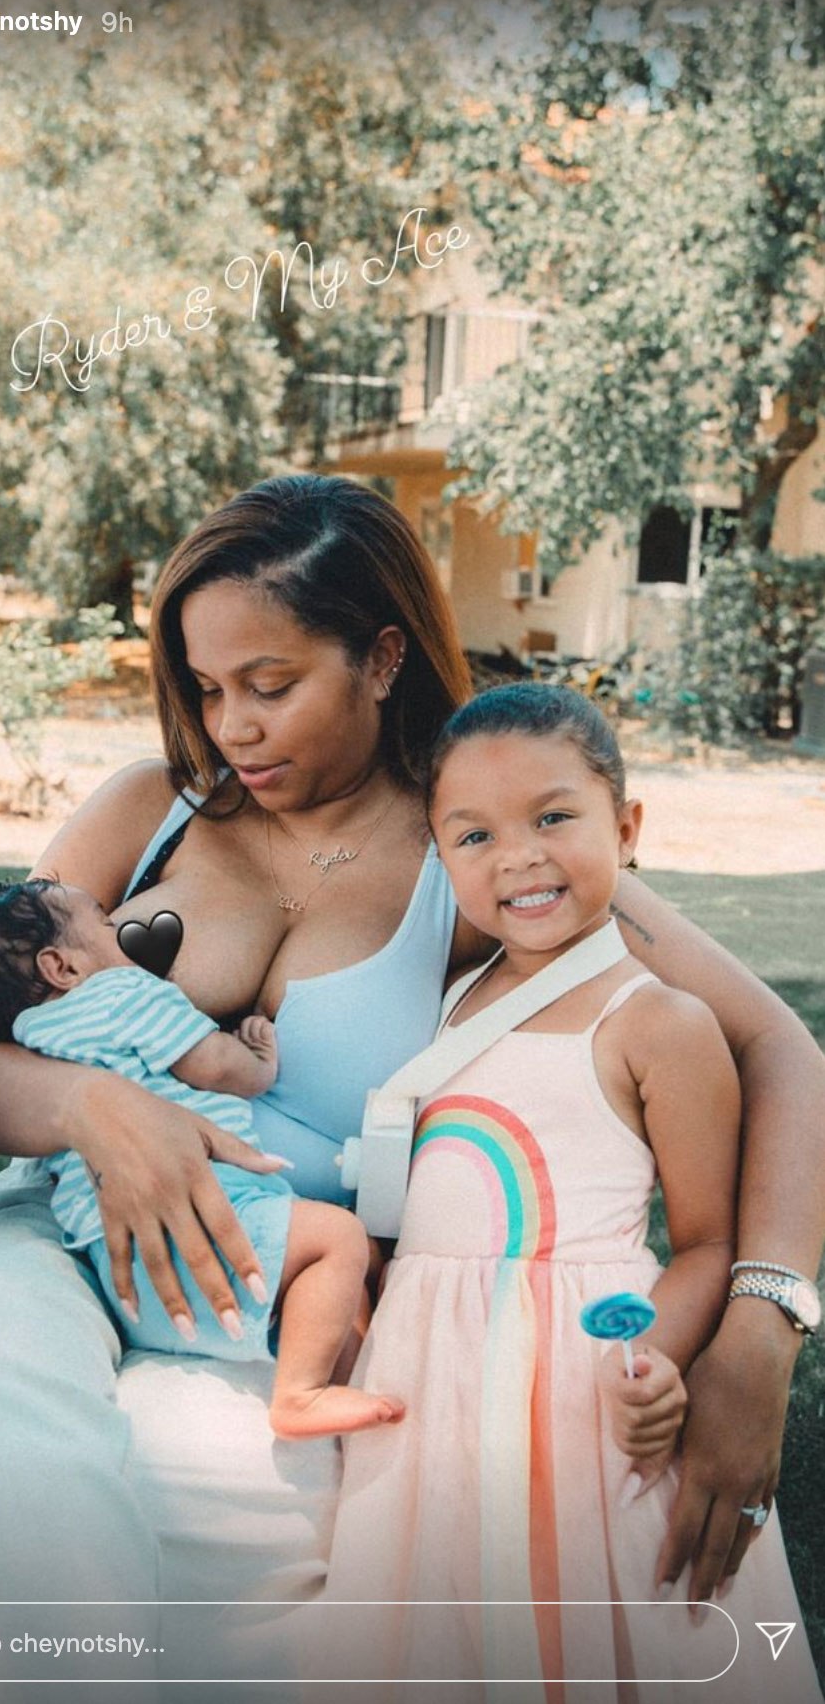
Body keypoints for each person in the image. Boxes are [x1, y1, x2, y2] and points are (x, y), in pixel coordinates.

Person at [0, 477, 822, 1697]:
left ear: (380, 656)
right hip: (65, 1225)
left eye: (269, 685)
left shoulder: (477, 846)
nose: (233, 727)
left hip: (291, 1266)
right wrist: (93, 1109)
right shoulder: (148, 810)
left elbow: (780, 1049)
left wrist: (761, 1326)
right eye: (207, 689)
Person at [319, 684, 823, 1701]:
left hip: (582, 1398)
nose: (518, 855)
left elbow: (704, 1243)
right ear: (440, 854)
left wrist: (653, 1359)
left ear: (625, 828)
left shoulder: (660, 1021)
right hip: (432, 1399)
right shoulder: (449, 1001)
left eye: (553, 817)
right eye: (473, 834)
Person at [0, 877, 403, 1438]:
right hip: (208, 1219)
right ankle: (302, 1395)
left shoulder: (26, 1037)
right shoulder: (125, 994)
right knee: (341, 1241)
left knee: (358, 1263)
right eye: (104, 925)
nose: (117, 937)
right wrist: (258, 1057)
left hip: (126, 1266)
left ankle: (336, 1390)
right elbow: (217, 1069)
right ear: (63, 968)